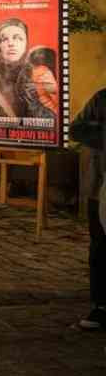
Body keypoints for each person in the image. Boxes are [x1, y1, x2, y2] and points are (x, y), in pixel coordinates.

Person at [71, 86, 106, 331]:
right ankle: (101, 306)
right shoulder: (102, 98)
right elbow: (76, 129)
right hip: (99, 186)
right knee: (100, 248)